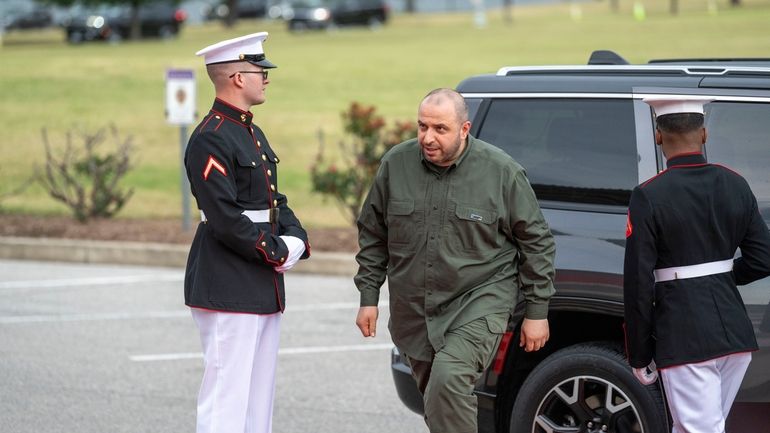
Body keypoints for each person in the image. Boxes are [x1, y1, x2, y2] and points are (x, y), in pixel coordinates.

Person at [354, 88, 556, 433]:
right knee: (437, 401)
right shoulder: (395, 164)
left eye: (440, 129)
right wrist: (368, 297)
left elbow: (536, 241)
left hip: (478, 301)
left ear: (465, 129)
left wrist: (537, 311)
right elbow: (374, 233)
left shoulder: (501, 172)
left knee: (447, 382)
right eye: (422, 127)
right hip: (414, 312)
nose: (427, 138)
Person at [184, 32, 310, 433]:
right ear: (238, 77)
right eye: (260, 71)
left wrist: (297, 237)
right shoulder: (211, 137)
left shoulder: (250, 131)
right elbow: (224, 217)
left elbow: (274, 199)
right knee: (227, 397)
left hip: (258, 278)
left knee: (258, 397)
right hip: (228, 279)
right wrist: (275, 251)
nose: (266, 78)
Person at [624, 96, 770, 433]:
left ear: (659, 136)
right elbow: (762, 259)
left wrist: (640, 352)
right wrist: (723, 276)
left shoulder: (649, 194)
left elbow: (638, 282)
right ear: (704, 134)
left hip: (686, 332)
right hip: (734, 333)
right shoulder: (735, 182)